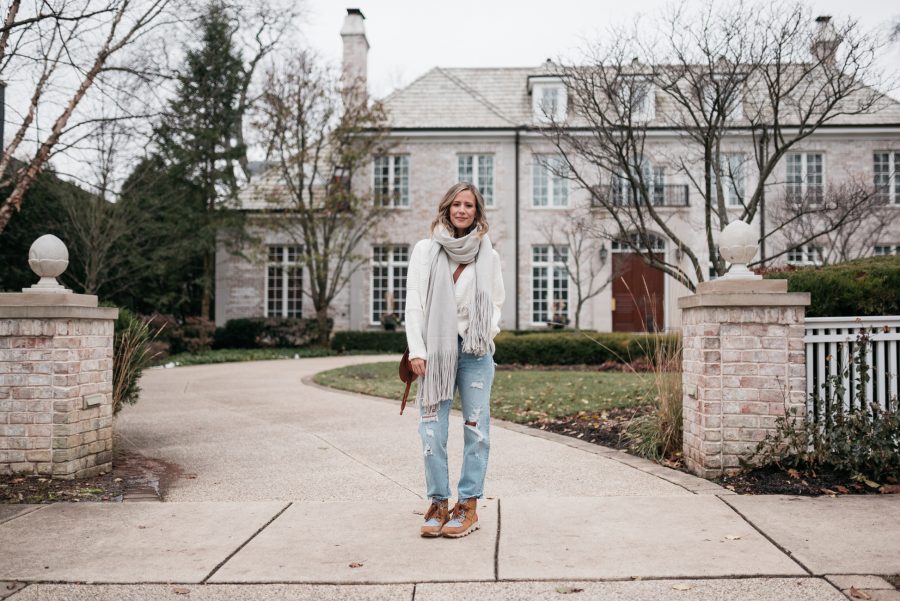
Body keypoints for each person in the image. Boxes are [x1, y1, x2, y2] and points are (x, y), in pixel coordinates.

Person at [405, 182, 505, 538]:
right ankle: (438, 502)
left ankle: (468, 506)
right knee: (432, 430)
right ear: (446, 208)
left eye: (470, 205)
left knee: (476, 431)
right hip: (434, 352)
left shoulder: (487, 255)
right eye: (457, 204)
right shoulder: (425, 251)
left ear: (477, 212)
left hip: (475, 353)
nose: (462, 210)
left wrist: (484, 333)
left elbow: (494, 302)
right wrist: (417, 350)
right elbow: (414, 302)